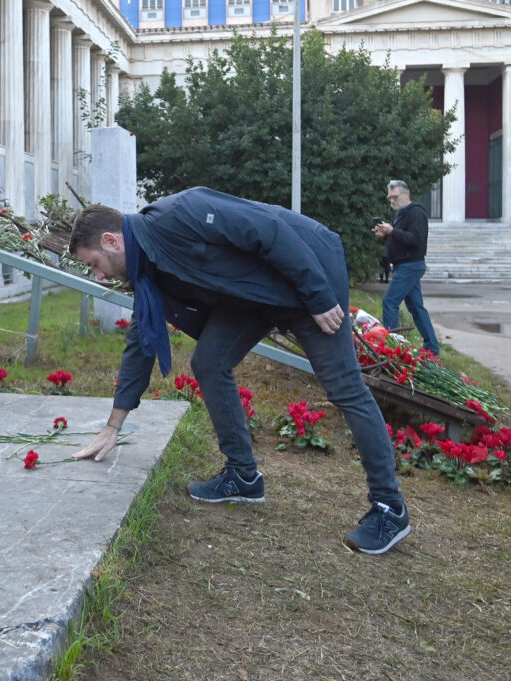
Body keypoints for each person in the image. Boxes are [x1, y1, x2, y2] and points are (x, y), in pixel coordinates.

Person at [69, 187, 410, 555]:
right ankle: (243, 476)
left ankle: (389, 508)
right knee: (209, 362)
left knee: (344, 386)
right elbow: (140, 344)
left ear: (111, 241)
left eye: (95, 264)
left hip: (308, 270)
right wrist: (113, 426)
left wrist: (319, 295)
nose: (98, 276)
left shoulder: (183, 211)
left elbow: (270, 231)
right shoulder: (146, 272)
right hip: (255, 294)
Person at [373, 180, 440, 356]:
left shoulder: (416, 212)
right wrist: (385, 235)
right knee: (417, 308)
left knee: (390, 302)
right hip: (405, 265)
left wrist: (392, 231)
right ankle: (431, 348)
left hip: (410, 266)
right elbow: (402, 240)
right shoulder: (401, 214)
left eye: (395, 197)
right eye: (389, 198)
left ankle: (390, 349)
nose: (392, 201)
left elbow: (416, 240)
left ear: (405, 194)